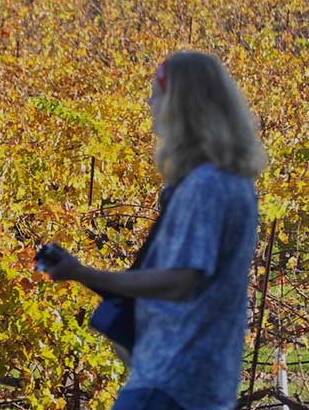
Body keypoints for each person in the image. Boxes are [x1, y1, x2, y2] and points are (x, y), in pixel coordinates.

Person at [41, 50, 267, 410]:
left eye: (158, 94)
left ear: (183, 106)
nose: (150, 103)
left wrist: (82, 272)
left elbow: (180, 282)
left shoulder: (205, 186)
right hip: (205, 382)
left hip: (169, 380)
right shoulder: (235, 184)